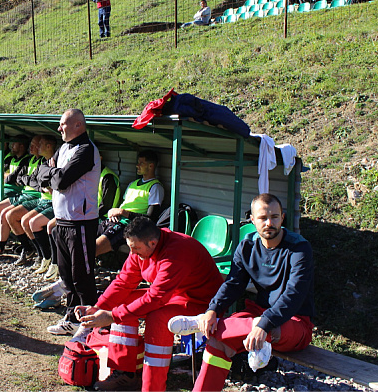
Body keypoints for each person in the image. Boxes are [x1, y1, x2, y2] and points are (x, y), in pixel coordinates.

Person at [169, 193, 314, 392]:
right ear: (253, 220)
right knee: (216, 341)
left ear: (282, 218)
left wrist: (263, 323)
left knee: (263, 326)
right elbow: (233, 284)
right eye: (263, 218)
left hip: (294, 323)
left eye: (274, 217)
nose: (269, 223)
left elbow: (294, 295)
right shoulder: (247, 246)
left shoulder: (299, 249)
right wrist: (212, 310)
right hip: (257, 318)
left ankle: (220, 323)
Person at [78, 216, 224, 392]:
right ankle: (124, 373)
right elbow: (123, 282)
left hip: (203, 304)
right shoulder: (141, 248)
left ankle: (152, 387)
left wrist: (112, 316)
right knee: (123, 302)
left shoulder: (177, 252)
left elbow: (156, 298)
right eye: (131, 248)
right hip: (174, 296)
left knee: (158, 318)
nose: (133, 253)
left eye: (136, 248)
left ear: (153, 243)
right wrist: (98, 308)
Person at [36, 109, 100, 343]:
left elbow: (61, 181)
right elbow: (40, 173)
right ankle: (72, 319)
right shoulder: (64, 148)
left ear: (77, 125)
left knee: (82, 275)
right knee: (67, 276)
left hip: (80, 223)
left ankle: (90, 324)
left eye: (62, 124)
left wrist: (52, 173)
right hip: (62, 221)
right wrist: (52, 172)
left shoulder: (86, 150)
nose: (59, 129)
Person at [95, 150, 164, 258]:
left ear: (151, 166)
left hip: (129, 225)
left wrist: (125, 213)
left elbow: (151, 218)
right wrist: (113, 212)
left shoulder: (155, 187)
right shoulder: (133, 184)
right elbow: (124, 205)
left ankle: (82, 270)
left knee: (96, 246)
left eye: (141, 163)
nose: (137, 166)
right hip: (115, 219)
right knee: (85, 235)